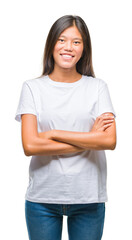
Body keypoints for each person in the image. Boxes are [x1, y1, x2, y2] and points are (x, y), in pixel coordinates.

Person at [15, 15, 116, 240]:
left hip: (88, 197)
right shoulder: (32, 88)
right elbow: (30, 145)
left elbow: (108, 141)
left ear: (84, 49)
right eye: (62, 40)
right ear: (52, 44)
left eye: (76, 42)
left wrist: (52, 134)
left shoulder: (97, 87)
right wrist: (90, 138)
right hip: (43, 199)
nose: (68, 47)